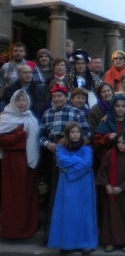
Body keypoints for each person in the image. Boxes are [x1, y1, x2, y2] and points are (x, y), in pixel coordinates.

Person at [39, 84, 90, 229]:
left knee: (71, 193)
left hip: (73, 155)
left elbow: (87, 133)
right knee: (54, 193)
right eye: (54, 96)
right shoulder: (47, 113)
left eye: (59, 96)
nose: (57, 99)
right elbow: (40, 135)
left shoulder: (76, 113)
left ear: (67, 97)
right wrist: (48, 144)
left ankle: (73, 228)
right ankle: (52, 230)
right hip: (52, 156)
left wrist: (72, 142)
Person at [47, 122, 98, 255]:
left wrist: (68, 170)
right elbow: (61, 160)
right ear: (67, 134)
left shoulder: (86, 147)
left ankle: (86, 243)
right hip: (67, 185)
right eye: (72, 132)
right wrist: (77, 160)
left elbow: (87, 162)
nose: (75, 135)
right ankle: (67, 243)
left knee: (84, 212)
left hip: (83, 184)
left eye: (77, 132)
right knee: (68, 211)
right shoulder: (61, 146)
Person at [0, 89, 40, 239]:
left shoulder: (31, 118)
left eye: (24, 100)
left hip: (28, 164)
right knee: (12, 198)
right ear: (13, 102)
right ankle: (12, 231)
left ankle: (28, 229)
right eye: (18, 100)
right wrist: (20, 136)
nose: (22, 103)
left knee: (26, 196)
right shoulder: (5, 118)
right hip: (12, 163)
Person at [95, 130, 125, 252]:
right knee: (110, 217)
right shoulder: (109, 154)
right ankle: (110, 241)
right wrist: (106, 185)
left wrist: (122, 187)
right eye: (118, 142)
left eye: (124, 143)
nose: (120, 145)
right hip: (111, 191)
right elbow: (102, 171)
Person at [93, 95, 125, 168]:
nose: (120, 109)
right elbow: (96, 142)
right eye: (117, 106)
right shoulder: (105, 122)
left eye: (123, 106)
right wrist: (108, 137)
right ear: (113, 107)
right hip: (109, 161)